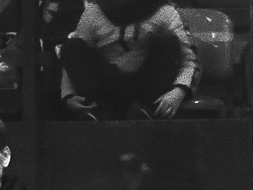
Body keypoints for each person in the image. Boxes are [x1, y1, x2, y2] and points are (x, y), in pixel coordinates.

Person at [60, 0, 197, 119]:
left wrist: (179, 91)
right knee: (72, 46)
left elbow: (189, 59)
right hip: (107, 89)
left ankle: (144, 108)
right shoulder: (94, 12)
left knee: (167, 43)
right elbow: (71, 58)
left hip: (147, 88)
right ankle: (97, 109)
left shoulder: (166, 11)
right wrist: (68, 95)